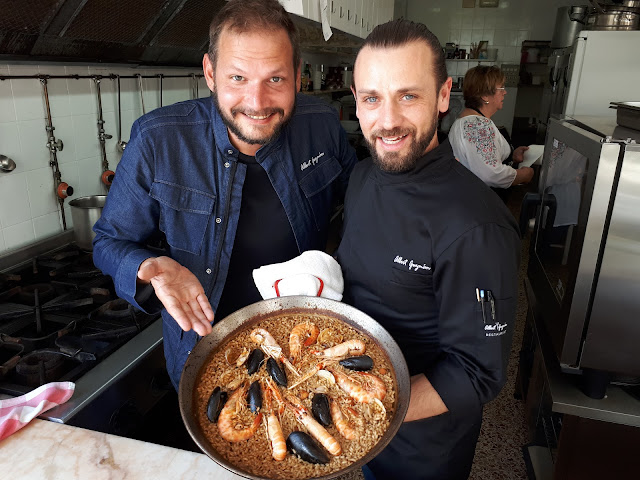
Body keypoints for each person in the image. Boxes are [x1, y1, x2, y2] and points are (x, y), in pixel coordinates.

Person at [92, 0, 357, 391]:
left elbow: (361, 208)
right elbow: (108, 242)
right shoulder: (157, 139)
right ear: (210, 73)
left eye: (276, 79)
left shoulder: (321, 126)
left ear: (298, 77)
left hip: (304, 346)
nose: (257, 101)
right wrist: (149, 267)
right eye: (237, 78)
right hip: (205, 352)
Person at [336, 19, 521, 479]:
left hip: (425, 446)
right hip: (363, 424)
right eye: (371, 98)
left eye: (409, 95)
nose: (388, 120)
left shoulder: (475, 224)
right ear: (356, 101)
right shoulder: (361, 177)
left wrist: (370, 411)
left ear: (443, 96)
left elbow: (476, 371)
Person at [448, 65, 534, 189]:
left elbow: (480, 160)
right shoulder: (478, 126)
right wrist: (523, 175)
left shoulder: (470, 121)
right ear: (484, 95)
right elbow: (492, 175)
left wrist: (513, 156)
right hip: (477, 199)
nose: (505, 92)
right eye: (501, 88)